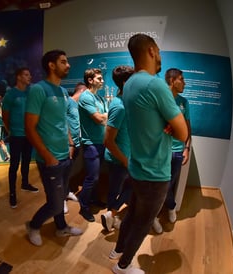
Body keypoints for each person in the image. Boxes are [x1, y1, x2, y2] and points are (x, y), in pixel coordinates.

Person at [109, 34, 188, 274]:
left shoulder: (130, 83)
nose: (161, 56)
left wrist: (167, 124)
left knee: (133, 213)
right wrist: (171, 126)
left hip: (137, 166)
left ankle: (118, 249)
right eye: (160, 52)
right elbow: (182, 133)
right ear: (152, 50)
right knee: (143, 222)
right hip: (154, 171)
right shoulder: (155, 85)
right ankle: (122, 265)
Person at [25, 50, 83, 246]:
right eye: (63, 62)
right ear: (51, 65)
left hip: (65, 155)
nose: (68, 65)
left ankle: (61, 228)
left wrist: (70, 144)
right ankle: (33, 225)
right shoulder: (38, 89)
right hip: (50, 159)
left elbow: (62, 121)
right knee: (55, 203)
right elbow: (29, 128)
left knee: (62, 196)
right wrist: (46, 155)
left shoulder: (62, 92)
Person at [152, 68, 192, 234]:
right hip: (160, 150)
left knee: (169, 183)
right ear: (172, 80)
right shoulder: (159, 99)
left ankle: (169, 208)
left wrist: (187, 148)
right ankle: (156, 214)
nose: (184, 83)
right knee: (158, 184)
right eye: (181, 79)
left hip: (177, 149)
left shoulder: (184, 102)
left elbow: (188, 127)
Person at [100, 66, 134, 232]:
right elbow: (108, 141)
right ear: (126, 82)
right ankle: (110, 216)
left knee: (128, 187)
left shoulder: (125, 103)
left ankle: (111, 215)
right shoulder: (119, 106)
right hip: (118, 159)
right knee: (116, 190)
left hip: (125, 157)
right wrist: (125, 160)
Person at [2, 67, 38, 209]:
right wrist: (10, 130)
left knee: (27, 160)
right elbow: (5, 116)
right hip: (16, 135)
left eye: (30, 74)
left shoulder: (31, 92)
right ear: (19, 77)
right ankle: (12, 194)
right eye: (26, 74)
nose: (29, 77)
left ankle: (25, 183)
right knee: (14, 164)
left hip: (29, 134)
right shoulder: (10, 94)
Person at [77, 68, 108, 222]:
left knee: (97, 176)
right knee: (92, 177)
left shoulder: (100, 99)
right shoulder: (86, 97)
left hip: (101, 142)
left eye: (102, 79)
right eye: (99, 78)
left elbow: (105, 117)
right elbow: (100, 119)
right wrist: (108, 115)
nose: (102, 81)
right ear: (90, 80)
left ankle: (94, 199)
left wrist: (106, 115)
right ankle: (83, 206)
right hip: (91, 144)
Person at [64, 82, 87, 213]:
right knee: (64, 171)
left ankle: (67, 192)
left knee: (71, 169)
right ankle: (61, 199)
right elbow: (63, 121)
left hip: (78, 143)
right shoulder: (68, 102)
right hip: (69, 143)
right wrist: (70, 142)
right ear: (82, 91)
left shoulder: (78, 105)